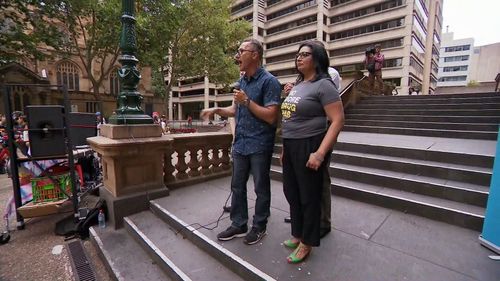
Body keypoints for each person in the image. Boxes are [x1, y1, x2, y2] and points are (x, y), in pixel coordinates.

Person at [200, 39, 281, 245]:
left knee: (260, 187)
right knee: (237, 186)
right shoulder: (243, 81)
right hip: (241, 143)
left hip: (260, 144)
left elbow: (272, 116)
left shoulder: (269, 82)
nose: (237, 55)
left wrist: (247, 101)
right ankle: (239, 224)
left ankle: (259, 226)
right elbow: (235, 110)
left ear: (255, 55)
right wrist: (216, 109)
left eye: (241, 51)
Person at [280, 41, 344, 263]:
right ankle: (297, 234)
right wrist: (285, 149)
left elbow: (337, 121)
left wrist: (320, 153)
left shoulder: (324, 85)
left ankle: (307, 242)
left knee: (309, 196)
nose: (299, 58)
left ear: (317, 59)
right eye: (298, 55)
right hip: (291, 145)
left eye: (305, 54)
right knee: (292, 192)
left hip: (310, 144)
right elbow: (291, 117)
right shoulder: (298, 85)